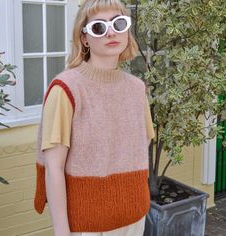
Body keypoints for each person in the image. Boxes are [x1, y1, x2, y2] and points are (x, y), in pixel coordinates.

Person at [34, 0, 155, 236]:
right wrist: (62, 231)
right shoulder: (66, 88)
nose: (111, 32)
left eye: (119, 24)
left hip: (134, 218)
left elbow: (142, 144)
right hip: (87, 225)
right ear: (85, 38)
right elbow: (54, 166)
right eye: (98, 27)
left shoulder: (136, 88)